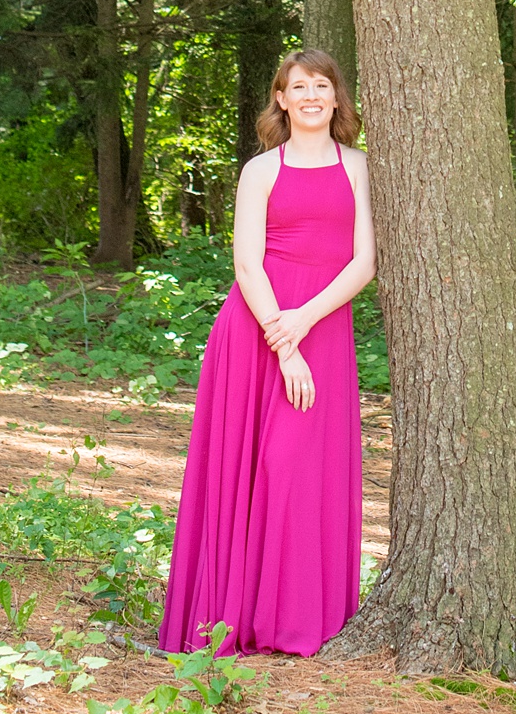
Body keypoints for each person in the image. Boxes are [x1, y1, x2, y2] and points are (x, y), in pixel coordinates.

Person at [159, 48, 375, 657]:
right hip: (256, 330)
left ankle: (297, 620)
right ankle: (236, 619)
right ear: (280, 99)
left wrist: (304, 325)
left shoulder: (359, 167)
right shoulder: (262, 169)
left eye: (321, 85)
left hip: (323, 328)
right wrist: (284, 344)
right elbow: (247, 264)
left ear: (337, 98)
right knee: (252, 470)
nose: (310, 96)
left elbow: (365, 262)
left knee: (301, 469)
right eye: (297, 86)